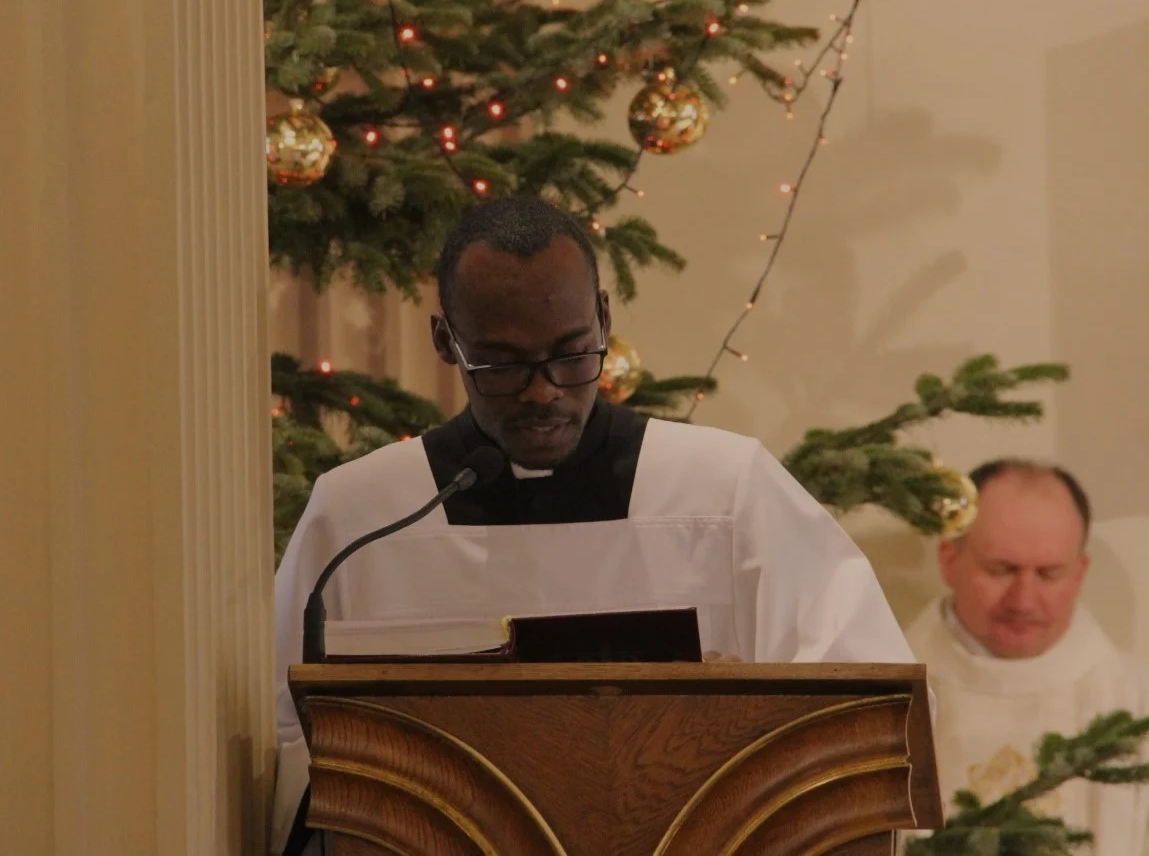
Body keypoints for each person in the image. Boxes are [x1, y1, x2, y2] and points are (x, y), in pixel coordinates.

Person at [269, 196, 916, 854]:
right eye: (503, 365)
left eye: (572, 354)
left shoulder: (725, 492)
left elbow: (865, 717)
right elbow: (281, 751)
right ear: (445, 342)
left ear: (604, 317)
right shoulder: (361, 517)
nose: (543, 391)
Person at [904, 458, 1149, 855]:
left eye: (1049, 574)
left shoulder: (1146, 708)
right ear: (949, 559)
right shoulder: (883, 699)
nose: (1023, 600)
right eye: (1001, 569)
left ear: (1080, 572)